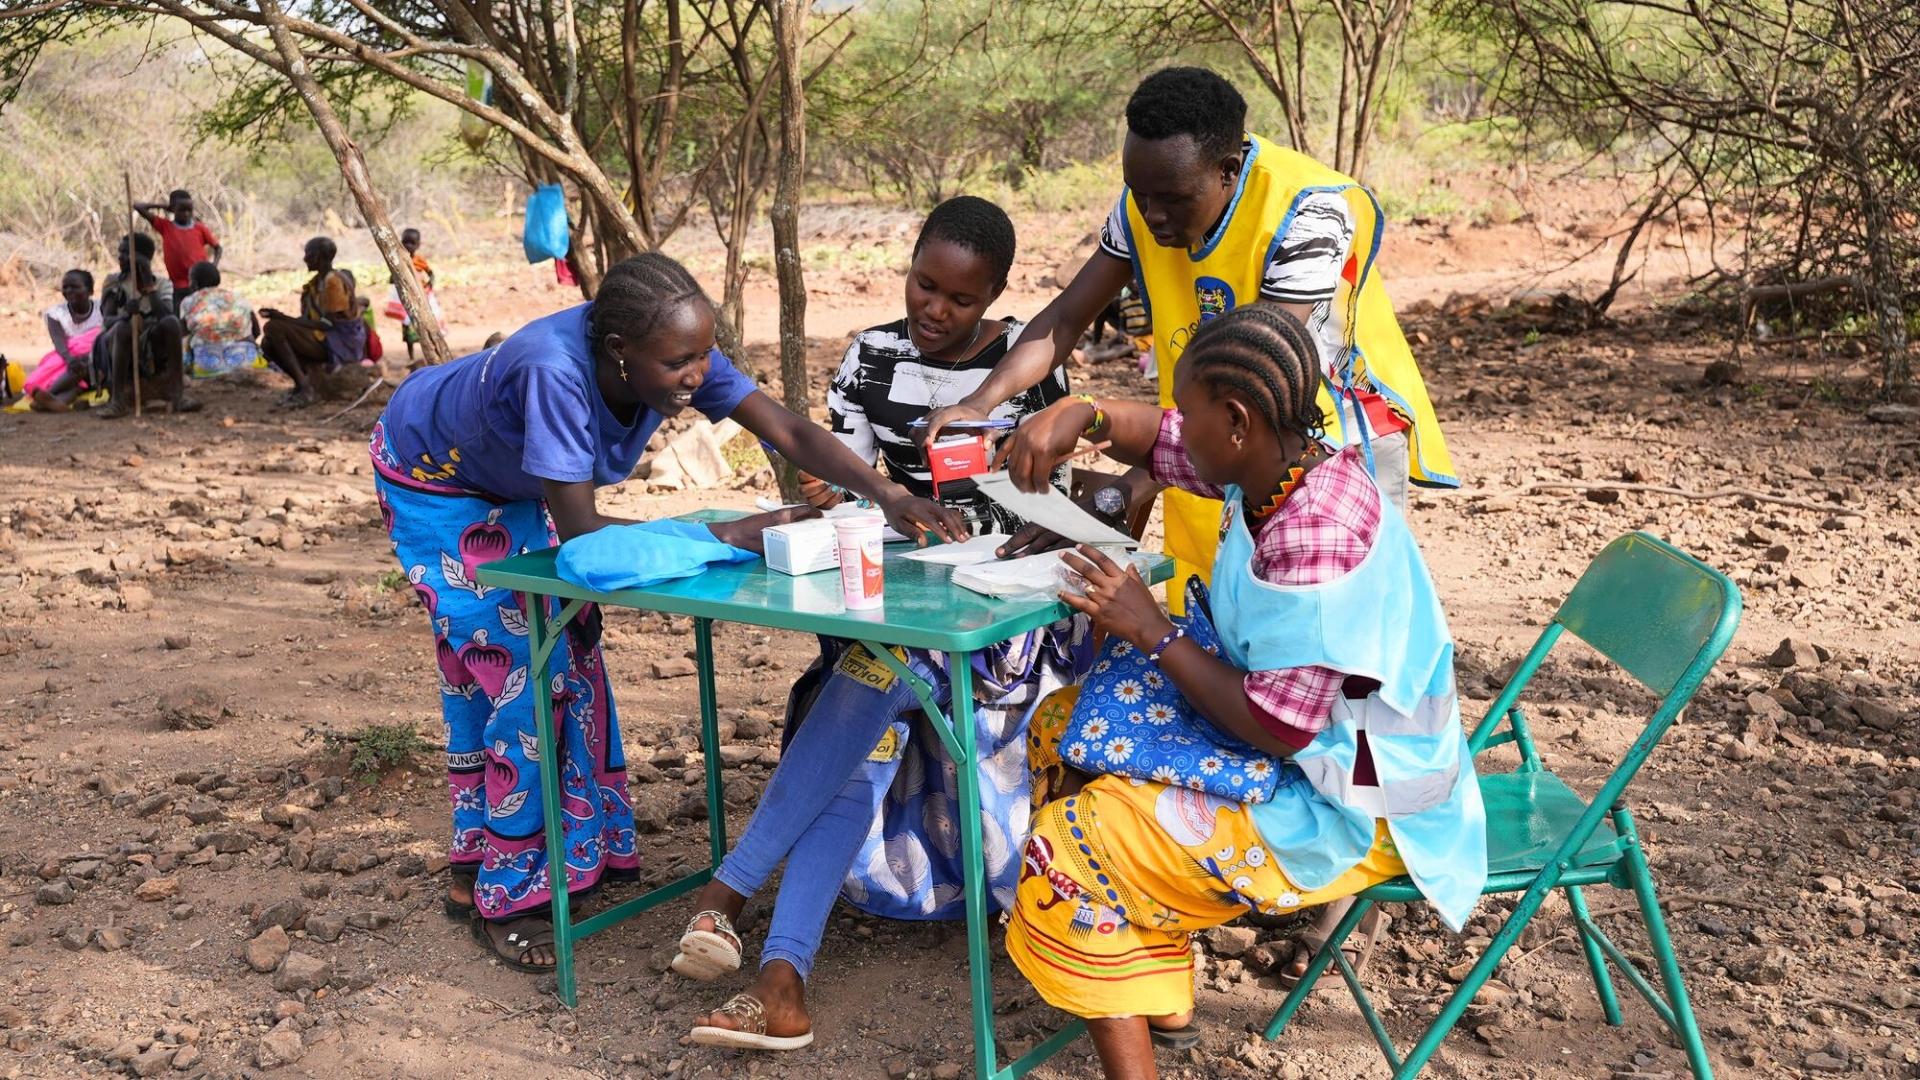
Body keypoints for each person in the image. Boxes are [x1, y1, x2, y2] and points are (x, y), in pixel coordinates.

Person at [934, 65, 1460, 982]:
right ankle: (1184, 888)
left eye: (1171, 200)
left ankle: (1325, 866)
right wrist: (988, 402)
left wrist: (1136, 480)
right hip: (1232, 448)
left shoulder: (1312, 213)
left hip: (1322, 448)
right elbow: (1072, 318)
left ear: (1227, 167)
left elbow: (1249, 388)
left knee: (1321, 673)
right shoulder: (1154, 192)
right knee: (1241, 641)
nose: (1153, 219)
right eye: (1139, 195)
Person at [369, 251, 966, 974]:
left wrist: (889, 496)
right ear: (619, 353)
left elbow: (792, 433)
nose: (698, 375)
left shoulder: (670, 343)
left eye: (705, 355)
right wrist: (725, 535)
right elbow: (584, 534)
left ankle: (560, 855)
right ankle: (506, 893)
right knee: (518, 678)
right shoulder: (555, 373)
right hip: (435, 477)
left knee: (564, 652)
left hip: (515, 477)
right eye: (681, 362)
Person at [991, 306, 1484, 1079]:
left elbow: (1277, 730)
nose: (1179, 427)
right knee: (1061, 726)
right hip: (1313, 741)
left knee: (1078, 841)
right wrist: (1081, 414)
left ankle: (1131, 1024)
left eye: (1193, 410)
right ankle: (1158, 990)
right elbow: (1157, 437)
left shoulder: (1314, 535)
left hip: (1358, 796)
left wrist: (1151, 629)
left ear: (1239, 420)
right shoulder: (1280, 464)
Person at [672, 196, 1082, 1053]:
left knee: (876, 681)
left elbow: (1060, 510)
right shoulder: (872, 355)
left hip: (1002, 618)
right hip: (887, 598)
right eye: (922, 285)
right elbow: (844, 481)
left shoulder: (1028, 367)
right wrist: (834, 494)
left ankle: (732, 898)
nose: (933, 310)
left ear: (996, 296)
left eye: (958, 300)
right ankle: (781, 979)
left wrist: (1013, 529)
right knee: (877, 697)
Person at [94, 244, 197, 420]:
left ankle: (178, 396)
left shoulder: (162, 284)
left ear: (144, 259)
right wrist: (125, 314)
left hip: (149, 343)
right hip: (117, 342)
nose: (120, 257)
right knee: (122, 328)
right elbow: (107, 321)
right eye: (120, 252)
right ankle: (117, 401)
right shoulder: (114, 282)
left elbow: (165, 316)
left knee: (172, 323)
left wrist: (149, 287)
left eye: (126, 253)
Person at [260, 236, 361, 408]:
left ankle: (306, 389)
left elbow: (328, 325)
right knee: (268, 343)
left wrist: (283, 318)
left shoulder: (333, 282)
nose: (305, 258)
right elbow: (310, 320)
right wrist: (282, 317)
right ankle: (302, 385)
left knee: (273, 327)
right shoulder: (315, 284)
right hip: (323, 338)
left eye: (309, 254)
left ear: (319, 256)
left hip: (338, 342)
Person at [24, 270, 103, 407]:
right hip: (68, 363)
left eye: (75, 287)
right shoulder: (55, 314)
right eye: (65, 287)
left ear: (90, 290)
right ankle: (56, 402)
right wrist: (71, 360)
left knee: (85, 364)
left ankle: (47, 396)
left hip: (97, 363)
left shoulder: (102, 308)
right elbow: (59, 343)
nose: (68, 290)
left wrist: (87, 358)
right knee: (77, 378)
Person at [134, 189, 221, 303]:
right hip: (177, 285)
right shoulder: (165, 226)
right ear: (173, 209)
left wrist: (214, 265)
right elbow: (138, 206)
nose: (186, 214)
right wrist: (165, 206)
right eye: (182, 210)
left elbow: (218, 248)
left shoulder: (199, 228)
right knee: (180, 314)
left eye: (189, 210)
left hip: (199, 284)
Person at [178, 261, 261, 378]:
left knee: (186, 337)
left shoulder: (189, 301)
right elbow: (257, 331)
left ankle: (188, 368)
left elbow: (183, 334)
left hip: (206, 365)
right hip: (246, 362)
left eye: (190, 280)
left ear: (195, 283)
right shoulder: (239, 298)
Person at [385, 227, 442, 367]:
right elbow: (391, 279)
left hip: (421, 298)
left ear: (418, 245)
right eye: (405, 242)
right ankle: (411, 357)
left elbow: (431, 273)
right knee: (408, 329)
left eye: (412, 243)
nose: (408, 246)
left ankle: (431, 353)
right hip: (407, 300)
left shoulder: (419, 260)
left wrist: (430, 283)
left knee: (427, 326)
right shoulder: (398, 260)